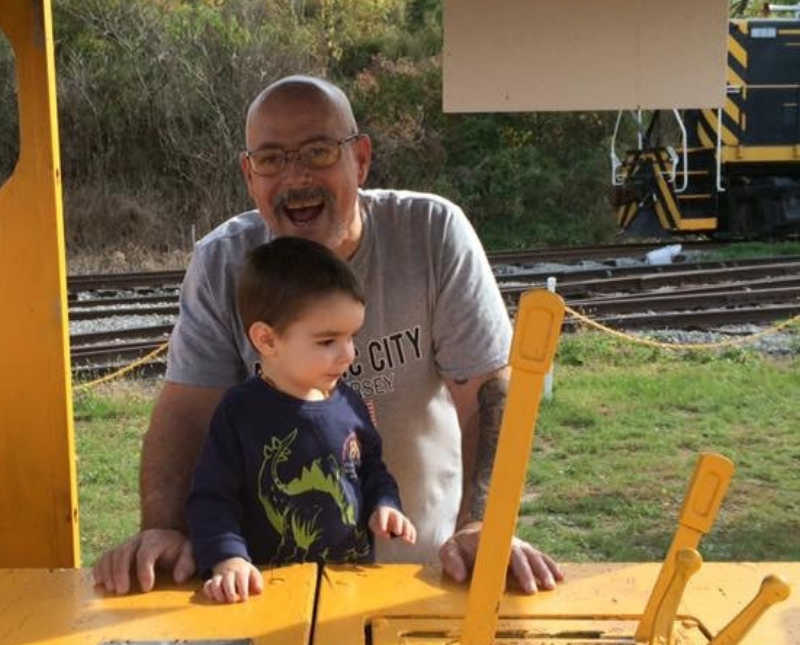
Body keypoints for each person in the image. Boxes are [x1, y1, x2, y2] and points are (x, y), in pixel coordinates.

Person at [92, 74, 564, 596]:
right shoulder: (222, 261)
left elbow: (488, 394)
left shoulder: (431, 233)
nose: (295, 178)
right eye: (270, 159)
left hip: (425, 573)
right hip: (266, 586)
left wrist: (483, 527)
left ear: (360, 159)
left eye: (318, 151)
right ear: (249, 176)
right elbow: (187, 411)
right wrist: (166, 526)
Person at [187, 237, 416, 603]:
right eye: (328, 341)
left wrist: (385, 503)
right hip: (266, 595)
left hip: (347, 592)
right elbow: (211, 498)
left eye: (351, 337)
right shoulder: (239, 412)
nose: (348, 355)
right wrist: (227, 559)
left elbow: (372, 468)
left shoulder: (350, 402)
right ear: (267, 340)